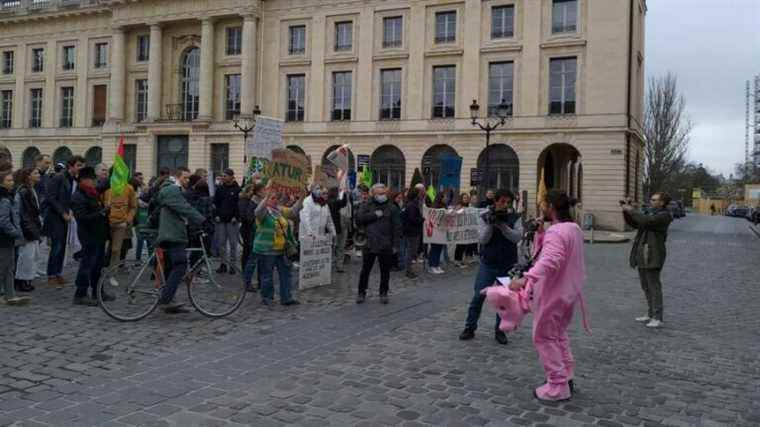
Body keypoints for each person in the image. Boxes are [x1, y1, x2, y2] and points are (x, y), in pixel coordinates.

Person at [509, 190, 589, 402]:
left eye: (543, 205)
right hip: (569, 293)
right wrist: (541, 232)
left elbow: (551, 259)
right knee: (558, 335)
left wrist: (525, 279)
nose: (541, 208)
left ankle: (557, 385)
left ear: (551, 207)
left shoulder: (557, 232)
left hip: (554, 293)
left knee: (544, 337)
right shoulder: (573, 229)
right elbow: (554, 252)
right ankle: (566, 376)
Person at [459, 189, 521, 345]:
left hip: (507, 264)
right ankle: (470, 327)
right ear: (496, 201)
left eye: (508, 202)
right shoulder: (484, 215)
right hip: (489, 263)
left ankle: (500, 330)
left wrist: (502, 226)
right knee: (478, 296)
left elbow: (516, 237)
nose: (505, 205)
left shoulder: (515, 217)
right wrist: (491, 225)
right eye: (502, 201)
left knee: (504, 299)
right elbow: (483, 239)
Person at [151, 167, 205, 313]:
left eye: (188, 178)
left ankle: (169, 302)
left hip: (172, 232)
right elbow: (184, 208)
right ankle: (165, 299)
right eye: (185, 178)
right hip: (172, 234)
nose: (187, 181)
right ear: (177, 176)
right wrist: (201, 220)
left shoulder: (174, 190)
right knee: (180, 265)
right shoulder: (172, 190)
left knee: (170, 267)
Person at [622, 192, 673, 328]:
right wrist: (626, 211)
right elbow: (635, 223)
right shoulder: (650, 213)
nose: (651, 201)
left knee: (653, 286)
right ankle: (650, 313)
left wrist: (632, 210)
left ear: (662, 202)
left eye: (654, 199)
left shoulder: (664, 215)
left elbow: (646, 221)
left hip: (654, 253)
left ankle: (658, 317)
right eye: (651, 199)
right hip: (643, 252)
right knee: (645, 286)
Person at [253, 186, 301, 306]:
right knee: (267, 275)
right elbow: (257, 211)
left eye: (276, 198)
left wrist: (302, 198)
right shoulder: (263, 212)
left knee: (286, 274)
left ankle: (286, 297)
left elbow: (293, 211)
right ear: (266, 200)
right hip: (267, 250)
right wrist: (267, 196)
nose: (275, 200)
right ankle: (267, 297)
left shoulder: (279, 210)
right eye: (272, 198)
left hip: (281, 249)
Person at [355, 183, 402, 304]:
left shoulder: (391, 207)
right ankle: (361, 292)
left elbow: (397, 227)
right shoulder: (367, 205)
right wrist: (374, 215)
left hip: (385, 243)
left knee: (385, 271)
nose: (382, 196)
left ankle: (383, 292)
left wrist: (396, 245)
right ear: (374, 194)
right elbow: (359, 219)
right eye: (380, 194)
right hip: (370, 243)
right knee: (365, 270)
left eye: (384, 193)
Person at [70, 167, 110, 306]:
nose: (95, 182)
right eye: (92, 179)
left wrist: (116, 173)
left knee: (98, 265)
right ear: (83, 181)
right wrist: (102, 212)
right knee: (87, 264)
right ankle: (80, 293)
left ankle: (98, 291)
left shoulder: (91, 191)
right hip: (88, 235)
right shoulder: (78, 196)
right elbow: (82, 218)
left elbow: (104, 185)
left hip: (99, 234)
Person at [44, 155, 84, 288]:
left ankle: (58, 273)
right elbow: (51, 198)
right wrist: (63, 213)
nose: (80, 168)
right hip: (56, 217)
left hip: (66, 216)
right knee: (57, 247)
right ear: (71, 165)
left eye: (81, 165)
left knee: (62, 247)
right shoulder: (59, 177)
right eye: (78, 165)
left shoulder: (74, 179)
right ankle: (51, 275)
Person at [0, 169, 29, 306]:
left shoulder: (8, 196)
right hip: (4, 238)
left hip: (7, 238)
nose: (12, 182)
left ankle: (10, 294)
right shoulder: (4, 199)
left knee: (9, 267)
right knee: (4, 267)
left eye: (12, 180)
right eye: (9, 180)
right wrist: (17, 232)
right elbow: (4, 221)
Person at [14, 168, 43, 292]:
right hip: (27, 228)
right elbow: (23, 213)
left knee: (32, 256)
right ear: (28, 176)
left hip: (32, 226)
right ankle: (20, 281)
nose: (38, 175)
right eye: (35, 173)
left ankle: (26, 280)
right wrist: (29, 230)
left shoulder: (31, 189)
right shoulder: (24, 191)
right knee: (26, 256)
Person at [103, 172, 138, 268]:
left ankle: (113, 272)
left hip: (121, 223)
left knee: (116, 249)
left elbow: (133, 206)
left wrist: (128, 219)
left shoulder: (129, 188)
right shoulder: (106, 189)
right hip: (106, 223)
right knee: (102, 248)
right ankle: (100, 269)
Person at [213, 169, 241, 274]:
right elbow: (215, 203)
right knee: (221, 243)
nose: (223, 178)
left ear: (231, 177)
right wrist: (216, 215)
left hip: (232, 221)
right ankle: (223, 264)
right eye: (222, 176)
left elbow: (239, 205)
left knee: (233, 244)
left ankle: (233, 265)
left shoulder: (237, 189)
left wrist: (236, 216)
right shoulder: (220, 189)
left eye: (225, 176)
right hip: (221, 220)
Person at [240, 183, 264, 291]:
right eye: (264, 190)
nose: (266, 192)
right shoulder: (253, 202)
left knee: (262, 261)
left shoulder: (263, 201)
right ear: (258, 192)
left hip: (262, 236)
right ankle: (247, 283)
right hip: (254, 235)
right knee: (252, 260)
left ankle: (261, 282)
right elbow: (249, 217)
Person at [401, 186, 424, 278]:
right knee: (411, 251)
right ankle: (408, 270)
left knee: (411, 251)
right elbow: (413, 218)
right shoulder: (412, 205)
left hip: (411, 231)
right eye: (419, 193)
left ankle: (409, 269)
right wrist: (421, 219)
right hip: (412, 231)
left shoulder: (411, 203)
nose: (420, 195)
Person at [327, 187, 349, 273]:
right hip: (337, 228)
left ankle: (330, 265)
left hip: (332, 228)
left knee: (333, 247)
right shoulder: (334, 202)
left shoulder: (326, 202)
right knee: (339, 247)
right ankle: (338, 266)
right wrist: (344, 193)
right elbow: (343, 203)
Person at [454, 193, 478, 267]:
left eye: (467, 198)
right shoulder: (459, 206)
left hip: (467, 228)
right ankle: (457, 261)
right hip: (460, 229)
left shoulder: (469, 207)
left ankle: (461, 260)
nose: (466, 199)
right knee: (459, 245)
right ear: (461, 199)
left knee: (464, 245)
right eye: (464, 198)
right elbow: (456, 215)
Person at [427, 193, 447, 275]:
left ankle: (437, 264)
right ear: (440, 198)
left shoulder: (444, 206)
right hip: (435, 231)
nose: (446, 198)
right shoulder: (435, 207)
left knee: (439, 248)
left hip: (442, 231)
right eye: (444, 197)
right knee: (434, 248)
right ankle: (432, 266)